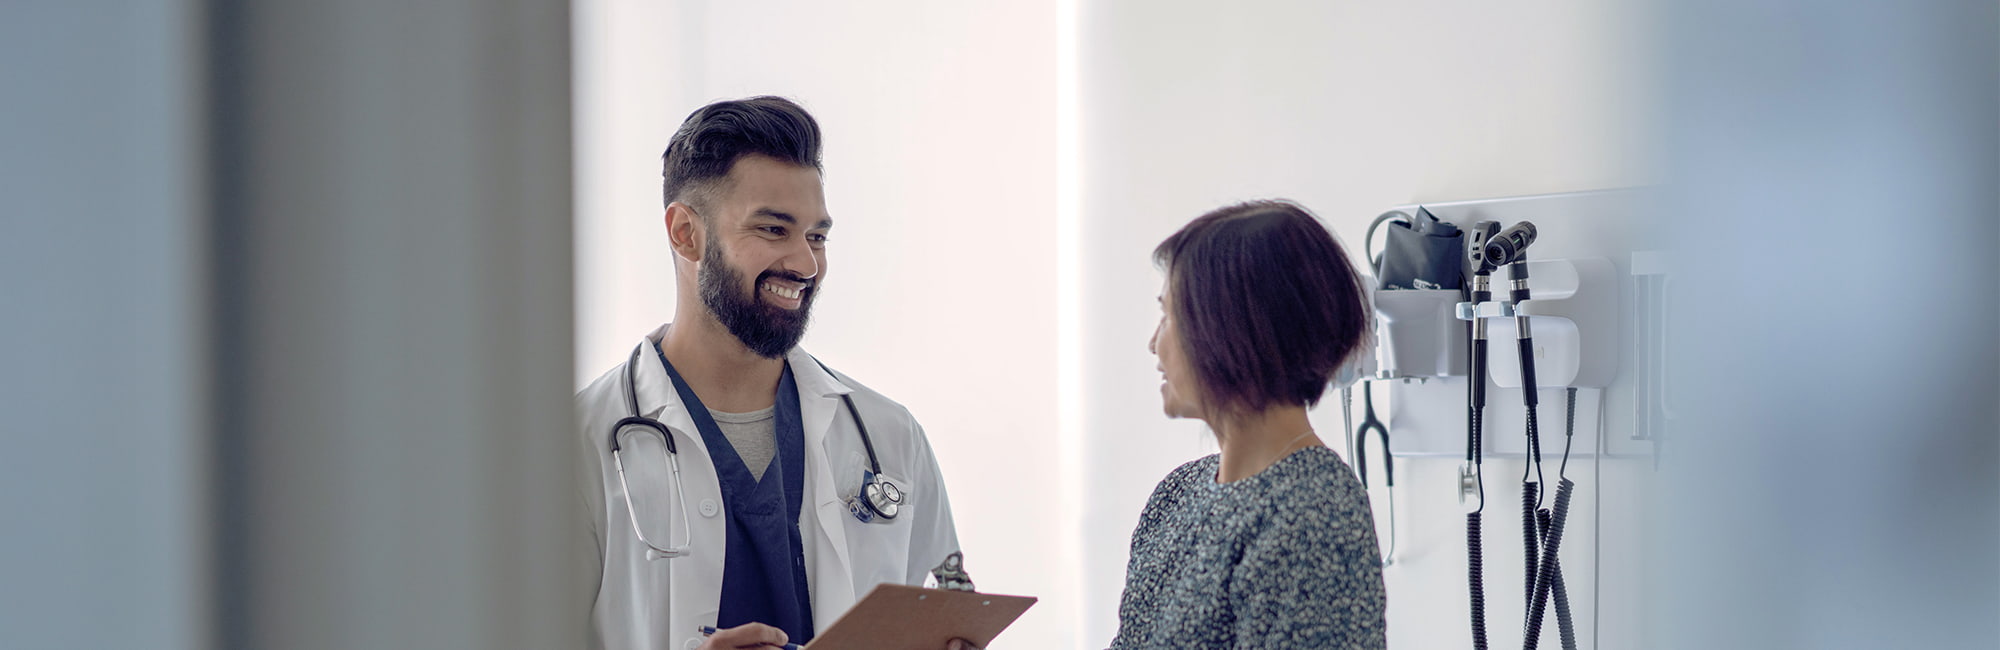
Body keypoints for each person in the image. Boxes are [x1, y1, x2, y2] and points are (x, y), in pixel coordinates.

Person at [574, 96, 963, 650]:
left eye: (817, 236)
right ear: (686, 233)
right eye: (774, 230)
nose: (806, 265)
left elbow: (943, 616)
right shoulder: (576, 447)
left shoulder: (888, 436)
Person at [1111, 200, 1387, 648]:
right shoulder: (1175, 496)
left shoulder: (1312, 513)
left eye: (1168, 317)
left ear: (1230, 333)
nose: (1153, 343)